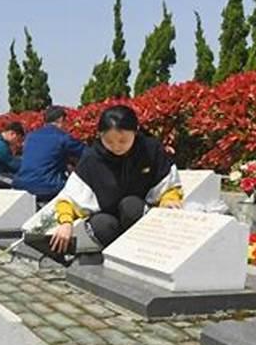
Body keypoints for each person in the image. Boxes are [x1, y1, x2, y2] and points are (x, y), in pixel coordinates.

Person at [48, 105, 183, 256]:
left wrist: (169, 199)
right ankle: (118, 254)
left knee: (130, 205)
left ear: (135, 131)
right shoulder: (92, 159)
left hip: (141, 217)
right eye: (109, 141)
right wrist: (66, 223)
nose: (116, 147)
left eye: (123, 140)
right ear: (100, 136)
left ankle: (143, 251)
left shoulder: (150, 150)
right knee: (101, 224)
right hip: (108, 220)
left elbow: (167, 184)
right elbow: (69, 198)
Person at [13, 106, 86, 201]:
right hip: (48, 187)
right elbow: (88, 153)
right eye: (66, 121)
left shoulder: (30, 137)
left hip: (21, 184)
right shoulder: (62, 138)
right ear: (60, 120)